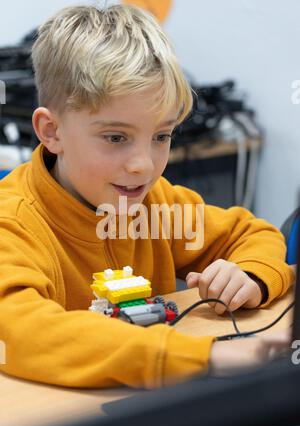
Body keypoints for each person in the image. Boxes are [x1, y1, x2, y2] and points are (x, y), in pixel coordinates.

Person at [0, 4, 294, 389]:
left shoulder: (157, 203)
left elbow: (251, 234)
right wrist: (203, 357)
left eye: (161, 136)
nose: (144, 165)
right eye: (116, 137)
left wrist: (250, 275)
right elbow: (22, 332)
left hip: (147, 404)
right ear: (51, 131)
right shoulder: (14, 222)